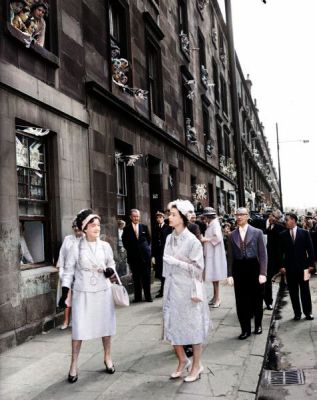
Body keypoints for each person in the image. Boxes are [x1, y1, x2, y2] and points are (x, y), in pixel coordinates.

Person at [60, 209, 118, 383]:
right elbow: (68, 271)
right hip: (83, 292)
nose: (97, 228)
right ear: (84, 228)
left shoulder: (105, 246)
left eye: (98, 225)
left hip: (102, 291)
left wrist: (110, 271)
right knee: (79, 330)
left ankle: (107, 357)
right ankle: (73, 365)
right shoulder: (76, 247)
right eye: (93, 225)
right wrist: (65, 291)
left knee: (106, 327)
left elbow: (111, 264)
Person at [163, 200, 209, 382]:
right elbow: (166, 262)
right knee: (172, 325)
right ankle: (182, 360)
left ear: (182, 218)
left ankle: (196, 365)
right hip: (172, 287)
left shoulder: (192, 241)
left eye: (173, 215)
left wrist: (177, 263)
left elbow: (198, 270)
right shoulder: (169, 238)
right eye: (169, 214)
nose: (169, 217)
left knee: (192, 327)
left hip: (189, 290)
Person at [227, 207, 267, 340]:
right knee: (241, 301)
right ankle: (245, 329)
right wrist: (230, 274)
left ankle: (258, 325)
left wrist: (263, 272)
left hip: (254, 267)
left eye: (242, 215)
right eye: (237, 215)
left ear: (247, 216)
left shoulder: (257, 232)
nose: (238, 217)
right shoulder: (232, 235)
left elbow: (263, 254)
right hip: (239, 269)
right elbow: (230, 257)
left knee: (256, 299)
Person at [279, 213, 314, 321]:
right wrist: (281, 266)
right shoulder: (283, 235)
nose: (285, 222)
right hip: (290, 269)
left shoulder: (304, 233)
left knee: (305, 291)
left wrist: (311, 265)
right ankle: (297, 313)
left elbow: (310, 250)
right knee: (293, 293)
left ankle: (308, 313)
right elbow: (280, 252)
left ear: (293, 220)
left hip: (304, 268)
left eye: (287, 220)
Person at [56, 218, 83, 330]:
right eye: (74, 226)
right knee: (67, 298)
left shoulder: (86, 240)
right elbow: (62, 255)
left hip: (80, 274)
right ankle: (66, 321)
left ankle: (78, 322)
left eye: (78, 226)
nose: (76, 229)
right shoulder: (68, 239)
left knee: (79, 299)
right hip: (67, 273)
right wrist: (61, 272)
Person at [121, 209, 152, 302]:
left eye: (137, 216)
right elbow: (124, 242)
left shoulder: (144, 227)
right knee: (136, 278)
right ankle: (137, 297)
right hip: (133, 257)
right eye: (134, 216)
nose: (136, 218)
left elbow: (148, 240)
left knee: (146, 277)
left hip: (145, 257)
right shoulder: (126, 229)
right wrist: (132, 250)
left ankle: (148, 297)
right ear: (131, 217)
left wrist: (145, 250)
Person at [201, 207, 227, 308]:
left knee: (215, 277)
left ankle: (218, 298)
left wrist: (205, 239)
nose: (204, 219)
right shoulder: (212, 224)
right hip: (212, 253)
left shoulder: (215, 224)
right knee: (213, 277)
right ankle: (215, 297)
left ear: (208, 217)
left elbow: (218, 238)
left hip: (215, 255)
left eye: (205, 217)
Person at [264, 209, 285, 310]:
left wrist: (280, 264)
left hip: (270, 259)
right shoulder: (258, 223)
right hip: (257, 258)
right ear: (270, 215)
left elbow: (280, 248)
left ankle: (268, 302)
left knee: (267, 280)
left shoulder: (280, 228)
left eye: (277, 219)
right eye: (274, 217)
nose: (275, 220)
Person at [151, 211, 172, 298]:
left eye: (160, 217)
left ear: (163, 218)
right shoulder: (155, 227)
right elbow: (153, 242)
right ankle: (163, 288)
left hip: (166, 253)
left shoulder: (168, 228)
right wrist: (153, 255)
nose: (159, 219)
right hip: (158, 253)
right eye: (157, 218)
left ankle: (164, 290)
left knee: (166, 271)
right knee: (160, 272)